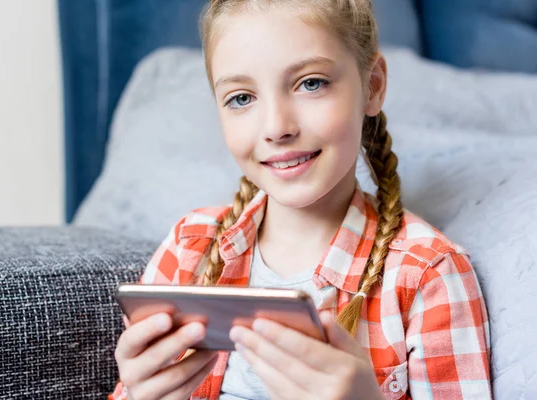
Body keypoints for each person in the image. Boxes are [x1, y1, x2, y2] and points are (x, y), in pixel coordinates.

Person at [110, 0, 491, 399]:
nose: (276, 128)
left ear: (373, 86)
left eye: (311, 83)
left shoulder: (426, 275)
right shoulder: (189, 245)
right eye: (241, 98)